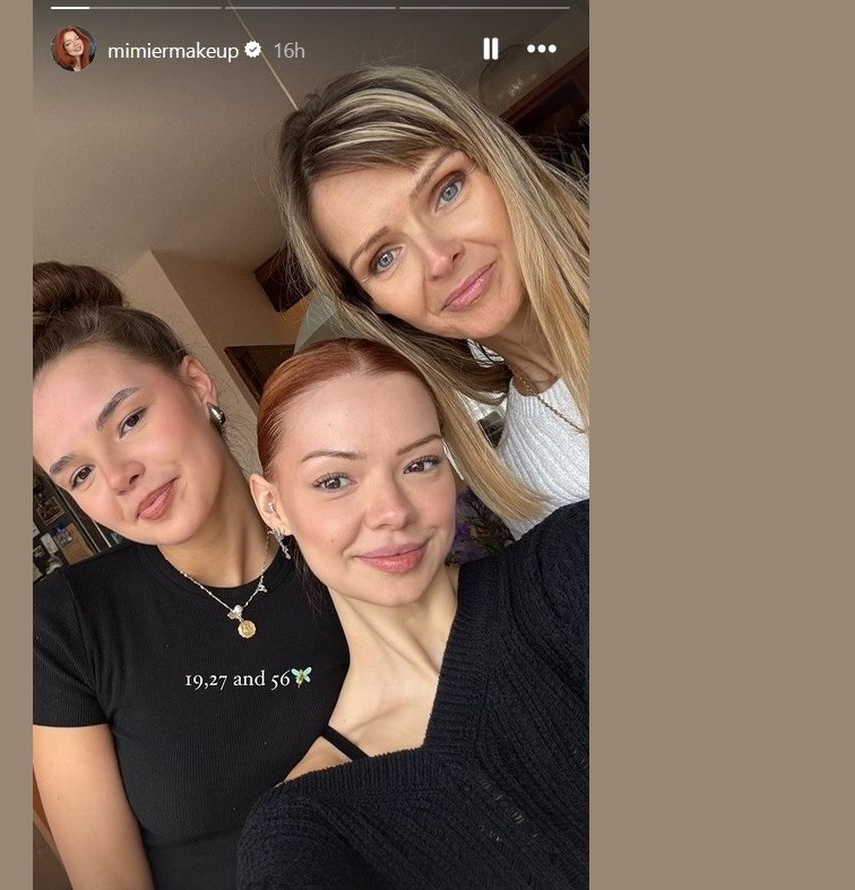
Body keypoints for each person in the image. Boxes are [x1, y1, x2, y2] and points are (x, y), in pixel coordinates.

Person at [31, 263, 349, 889]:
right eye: (80, 475)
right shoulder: (66, 624)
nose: (118, 475)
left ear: (197, 384)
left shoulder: (344, 526)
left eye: (129, 421)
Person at [236, 339, 588, 888]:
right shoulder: (310, 828)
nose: (393, 512)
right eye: (335, 480)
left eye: (420, 464)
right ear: (272, 505)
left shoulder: (573, 566)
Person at [276, 65, 590, 539]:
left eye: (447, 190)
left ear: (498, 164)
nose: (440, 259)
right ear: (374, 305)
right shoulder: (518, 483)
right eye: (385, 258)